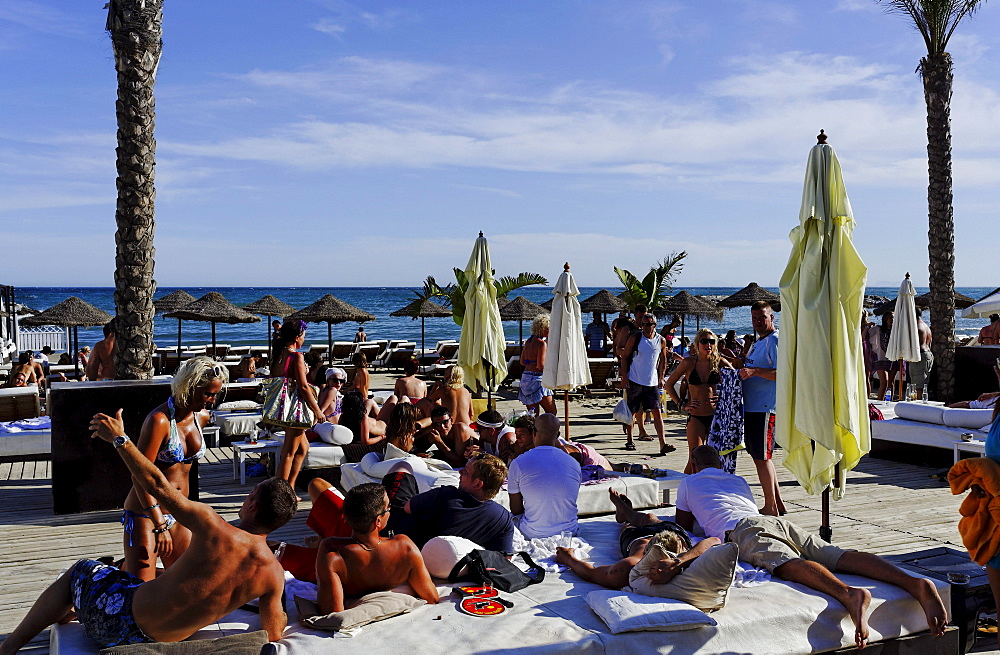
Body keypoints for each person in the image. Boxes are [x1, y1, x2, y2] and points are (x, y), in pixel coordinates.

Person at [0, 413, 298, 653]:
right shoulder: (273, 574)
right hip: (161, 642)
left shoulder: (213, 526)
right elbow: (273, 631)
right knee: (128, 575)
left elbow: (156, 484)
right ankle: (71, 609)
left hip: (116, 626)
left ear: (252, 505)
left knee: (83, 569)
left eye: (251, 493)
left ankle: (9, 647)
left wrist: (120, 438)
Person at [675, 445, 946, 649]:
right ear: (720, 462)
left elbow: (683, 524)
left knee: (785, 564)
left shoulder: (687, 482)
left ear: (693, 463)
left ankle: (849, 594)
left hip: (741, 529)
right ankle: (913, 583)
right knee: (838, 556)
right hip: (770, 521)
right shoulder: (737, 480)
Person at [120, 357, 228, 580]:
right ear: (189, 387)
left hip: (178, 513)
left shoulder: (202, 417)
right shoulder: (159, 421)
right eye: (208, 393)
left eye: (215, 394)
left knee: (187, 584)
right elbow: (139, 476)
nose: (212, 400)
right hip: (146, 514)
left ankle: (119, 569)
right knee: (140, 589)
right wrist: (159, 524)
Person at [555, 487, 715, 590]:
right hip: (671, 532)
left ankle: (625, 513)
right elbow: (714, 541)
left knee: (633, 525)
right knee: (650, 518)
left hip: (642, 536)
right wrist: (678, 562)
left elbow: (592, 573)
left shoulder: (632, 566)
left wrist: (567, 558)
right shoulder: (689, 562)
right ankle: (626, 510)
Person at [315, 483, 438, 614]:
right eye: (388, 507)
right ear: (378, 521)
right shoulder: (404, 547)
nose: (390, 510)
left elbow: (331, 611)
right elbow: (431, 597)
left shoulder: (333, 553)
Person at [401, 452, 515, 552]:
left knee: (403, 467)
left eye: (465, 472)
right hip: (449, 567)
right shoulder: (503, 519)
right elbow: (504, 557)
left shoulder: (446, 496)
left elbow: (407, 507)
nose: (459, 472)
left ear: (478, 484)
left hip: (411, 547)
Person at [737, 300, 785, 516]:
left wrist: (755, 372)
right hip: (752, 407)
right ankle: (777, 502)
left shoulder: (775, 340)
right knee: (762, 456)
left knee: (761, 457)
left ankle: (770, 506)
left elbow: (783, 373)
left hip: (765, 407)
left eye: (762, 318)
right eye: (754, 318)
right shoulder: (759, 342)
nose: (758, 322)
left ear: (772, 318)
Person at [266, 319, 326, 490]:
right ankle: (280, 493)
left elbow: (279, 379)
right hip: (296, 410)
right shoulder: (296, 356)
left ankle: (290, 487)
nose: (304, 339)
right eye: (304, 335)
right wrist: (317, 411)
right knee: (289, 453)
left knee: (302, 449)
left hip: (284, 408)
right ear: (297, 336)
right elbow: (304, 386)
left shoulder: (278, 355)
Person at [666, 328, 733, 474]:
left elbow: (736, 382)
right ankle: (685, 490)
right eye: (704, 341)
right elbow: (668, 384)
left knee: (717, 457)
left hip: (716, 416)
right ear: (697, 344)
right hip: (696, 416)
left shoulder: (720, 362)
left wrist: (723, 399)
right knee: (695, 457)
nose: (708, 344)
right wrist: (681, 404)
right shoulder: (689, 363)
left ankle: (713, 489)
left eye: (711, 341)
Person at [507, 413, 580, 539]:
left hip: (532, 532)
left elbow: (516, 510)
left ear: (534, 433)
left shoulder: (518, 463)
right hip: (568, 531)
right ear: (557, 436)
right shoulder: (573, 463)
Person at [620, 313, 671, 455]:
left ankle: (663, 443)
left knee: (657, 412)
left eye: (649, 324)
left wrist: (661, 377)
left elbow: (663, 360)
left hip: (652, 382)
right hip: (635, 379)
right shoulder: (636, 337)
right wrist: (624, 376)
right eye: (643, 324)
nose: (646, 327)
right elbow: (625, 357)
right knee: (632, 411)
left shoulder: (660, 340)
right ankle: (630, 439)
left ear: (655, 325)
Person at [518, 314, 557, 415]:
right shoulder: (541, 344)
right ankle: (547, 431)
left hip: (525, 379)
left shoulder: (528, 342)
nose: (550, 331)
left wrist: (531, 362)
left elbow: (522, 361)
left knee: (533, 415)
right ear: (541, 328)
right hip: (538, 380)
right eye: (548, 329)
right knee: (551, 412)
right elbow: (540, 366)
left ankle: (534, 431)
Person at [867, 311, 899, 401]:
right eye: (890, 318)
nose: (892, 320)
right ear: (885, 319)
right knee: (884, 382)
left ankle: (890, 401)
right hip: (881, 359)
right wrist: (866, 326)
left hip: (893, 359)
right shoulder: (878, 329)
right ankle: (880, 402)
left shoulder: (896, 331)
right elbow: (867, 335)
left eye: (893, 318)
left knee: (891, 383)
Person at [910, 310, 934, 399]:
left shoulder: (917, 327)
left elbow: (915, 345)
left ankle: (918, 406)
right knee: (923, 383)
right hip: (928, 354)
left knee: (918, 386)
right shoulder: (926, 326)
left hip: (920, 355)